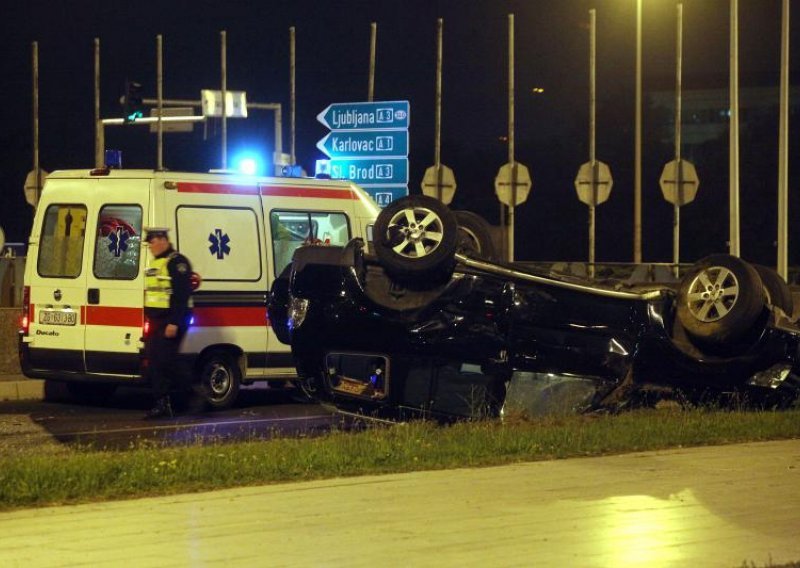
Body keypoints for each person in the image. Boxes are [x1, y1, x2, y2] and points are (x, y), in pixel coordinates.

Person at [142, 227, 195, 418]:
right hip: (156, 321)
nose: (150, 247)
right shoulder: (157, 262)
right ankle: (166, 402)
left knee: (164, 361)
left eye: (152, 242)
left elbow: (182, 295)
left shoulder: (177, 262)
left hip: (170, 321)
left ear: (163, 240)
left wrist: (174, 323)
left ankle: (182, 397)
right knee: (156, 361)